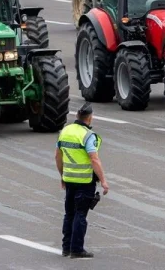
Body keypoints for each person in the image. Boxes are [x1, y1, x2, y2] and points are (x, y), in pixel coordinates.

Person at [56, 103, 109, 259]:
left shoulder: (65, 131)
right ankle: (77, 249)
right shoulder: (87, 136)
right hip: (85, 182)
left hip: (69, 180)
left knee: (69, 214)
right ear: (90, 118)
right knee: (80, 214)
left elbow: (57, 156)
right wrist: (104, 181)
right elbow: (94, 159)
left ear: (77, 116)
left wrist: (62, 176)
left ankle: (66, 248)